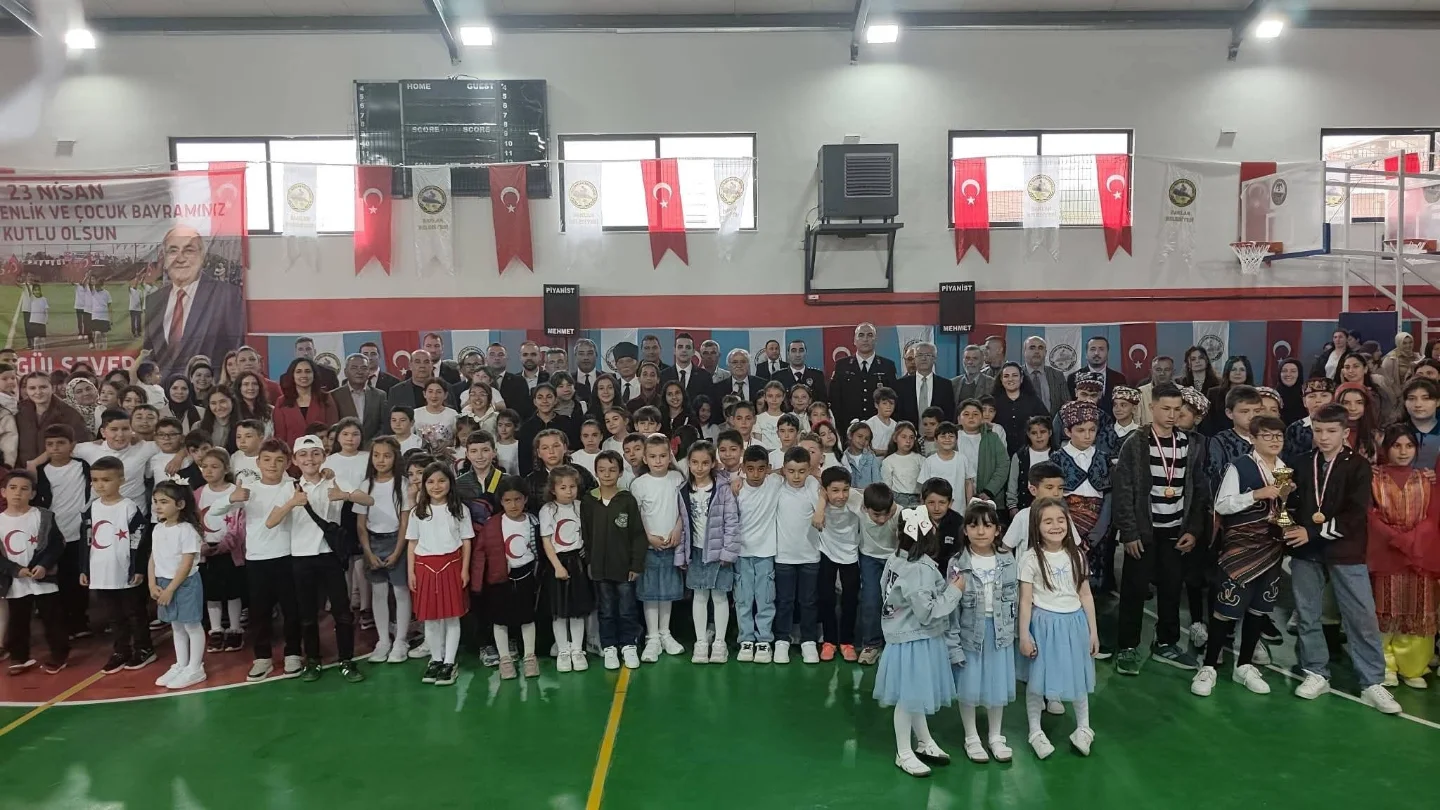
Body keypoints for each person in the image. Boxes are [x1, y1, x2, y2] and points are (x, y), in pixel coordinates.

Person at [1287, 403, 1401, 714]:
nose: (1323, 437)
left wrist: (1311, 532)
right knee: (1307, 614)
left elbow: (1355, 514)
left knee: (1361, 616)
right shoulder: (1299, 463)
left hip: (1345, 548)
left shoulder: (1359, 466)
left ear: (1345, 433)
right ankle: (1316, 672)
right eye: (1318, 431)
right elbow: (1284, 504)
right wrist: (1288, 526)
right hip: (1305, 551)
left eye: (1331, 431)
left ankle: (1372, 682)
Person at [1191, 415, 1294, 698]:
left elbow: (1282, 512)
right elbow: (1222, 505)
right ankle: (1208, 666)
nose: (1274, 441)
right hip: (1240, 547)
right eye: (1267, 435)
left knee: (1259, 609)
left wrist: (1289, 527)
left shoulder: (1284, 470)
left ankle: (1245, 665)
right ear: (1253, 438)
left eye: (1278, 436)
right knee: (1225, 607)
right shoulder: (1240, 466)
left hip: (1272, 549)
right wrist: (1257, 494)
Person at [1112, 384, 1209, 676]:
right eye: (1165, 408)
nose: (1171, 415)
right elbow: (1123, 491)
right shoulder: (1135, 443)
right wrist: (1129, 533)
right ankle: (1127, 646)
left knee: (1171, 588)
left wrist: (1193, 529)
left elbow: (1198, 491)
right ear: (1152, 407)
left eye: (1177, 410)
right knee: (1134, 590)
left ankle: (1166, 642)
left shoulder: (1190, 444)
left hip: (1175, 531)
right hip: (1144, 533)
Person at [873, 506, 965, 778]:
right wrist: (954, 591)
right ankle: (903, 752)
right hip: (915, 639)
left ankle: (924, 740)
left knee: (915, 693)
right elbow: (927, 612)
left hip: (904, 637)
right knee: (908, 698)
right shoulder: (920, 569)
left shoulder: (895, 559)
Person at [1017, 497, 1099, 759]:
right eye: (1048, 521)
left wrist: (1093, 631)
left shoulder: (1077, 555)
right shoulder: (1030, 558)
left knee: (1078, 677)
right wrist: (1024, 634)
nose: (1056, 526)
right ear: (1037, 526)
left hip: (1074, 624)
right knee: (1037, 679)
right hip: (1044, 625)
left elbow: (1085, 594)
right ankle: (1035, 731)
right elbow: (1025, 600)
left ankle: (1084, 728)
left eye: (1061, 520)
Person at [1367, 425, 1440, 688]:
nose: (1403, 452)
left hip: (1418, 553)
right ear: (1386, 449)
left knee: (1418, 609)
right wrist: (1394, 537)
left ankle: (1413, 668)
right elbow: (1369, 514)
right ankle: (1384, 665)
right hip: (1385, 552)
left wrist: (1412, 540)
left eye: (1409, 446)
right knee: (1385, 609)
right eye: (1396, 446)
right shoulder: (1373, 478)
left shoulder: (1426, 478)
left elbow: (1432, 515)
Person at [946, 499, 1016, 764]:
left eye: (987, 525)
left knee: (997, 686)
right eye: (974, 526)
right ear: (965, 530)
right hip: (969, 634)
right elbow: (951, 608)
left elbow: (1015, 599)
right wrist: (952, 644)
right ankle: (971, 736)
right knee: (969, 685)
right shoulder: (957, 563)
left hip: (999, 633)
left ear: (997, 530)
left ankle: (996, 735)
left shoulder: (1007, 560)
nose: (980, 531)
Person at [288, 435, 363, 683]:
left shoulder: (334, 480)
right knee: (307, 613)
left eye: (315, 454)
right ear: (295, 460)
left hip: (330, 555)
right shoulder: (289, 487)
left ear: (324, 456)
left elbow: (367, 499)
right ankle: (313, 661)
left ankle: (347, 659)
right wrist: (292, 502)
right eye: (303, 455)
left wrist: (345, 495)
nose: (309, 459)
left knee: (342, 611)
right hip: (301, 555)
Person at [234, 438, 305, 682]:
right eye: (267, 459)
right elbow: (215, 513)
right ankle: (262, 657)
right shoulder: (248, 488)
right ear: (258, 462)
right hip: (256, 558)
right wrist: (230, 498)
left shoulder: (293, 486)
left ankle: (293, 653)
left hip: (287, 555)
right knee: (259, 612)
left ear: (287, 463)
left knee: (291, 609)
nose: (272, 465)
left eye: (278, 460)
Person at [142, 225, 246, 376]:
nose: (180, 258)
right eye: (173, 251)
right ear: (164, 259)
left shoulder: (227, 295)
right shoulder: (154, 300)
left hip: (210, 387)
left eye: (189, 250)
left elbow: (235, 349)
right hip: (165, 388)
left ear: (202, 256)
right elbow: (149, 353)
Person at [80, 455, 152, 674]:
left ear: (121, 480)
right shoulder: (92, 509)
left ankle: (144, 648)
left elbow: (140, 541)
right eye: (95, 480)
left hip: (125, 570)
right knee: (113, 615)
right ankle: (121, 650)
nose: (100, 485)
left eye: (106, 480)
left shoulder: (128, 507)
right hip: (101, 571)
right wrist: (84, 569)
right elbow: (86, 541)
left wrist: (138, 568)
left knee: (134, 612)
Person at [405, 461, 472, 687]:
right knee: (431, 619)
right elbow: (412, 543)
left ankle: (449, 662)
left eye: (442, 481)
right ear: (424, 485)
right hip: (424, 568)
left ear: (450, 483)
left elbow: (466, 542)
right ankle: (435, 659)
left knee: (452, 617)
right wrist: (411, 572)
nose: (436, 486)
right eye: (431, 482)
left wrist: (464, 569)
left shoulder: (460, 510)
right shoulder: (417, 512)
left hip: (451, 565)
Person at [582, 450, 646, 671]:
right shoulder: (589, 501)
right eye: (602, 470)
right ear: (596, 472)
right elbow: (586, 535)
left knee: (627, 609)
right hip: (600, 568)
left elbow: (638, 535)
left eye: (612, 470)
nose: (607, 474)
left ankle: (629, 645)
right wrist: (589, 562)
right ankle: (609, 646)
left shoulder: (627, 500)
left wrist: (636, 564)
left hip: (624, 568)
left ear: (620, 473)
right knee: (606, 610)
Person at [1, 470, 69, 675]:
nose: (18, 493)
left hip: (43, 578)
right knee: (18, 620)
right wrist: (15, 570)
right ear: (3, 492)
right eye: (13, 488)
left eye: (24, 489)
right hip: (16, 582)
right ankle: (19, 657)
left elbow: (57, 544)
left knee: (52, 618)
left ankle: (59, 655)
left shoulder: (43, 516)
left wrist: (44, 566)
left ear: (32, 494)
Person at [678, 441, 740, 664]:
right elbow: (682, 525)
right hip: (695, 552)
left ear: (713, 463)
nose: (699, 467)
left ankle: (720, 643)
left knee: (720, 596)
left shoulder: (723, 489)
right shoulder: (683, 490)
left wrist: (728, 552)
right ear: (688, 463)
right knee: (700, 596)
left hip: (719, 553)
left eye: (705, 462)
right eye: (695, 462)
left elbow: (732, 522)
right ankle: (701, 642)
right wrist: (681, 554)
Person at [630, 434, 686, 662]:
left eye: (663, 456)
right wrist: (648, 538)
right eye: (653, 457)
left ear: (669, 456)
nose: (658, 461)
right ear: (645, 458)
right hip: (650, 547)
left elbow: (684, 509)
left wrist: (678, 529)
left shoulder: (677, 479)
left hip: (672, 544)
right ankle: (652, 636)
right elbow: (637, 516)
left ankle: (665, 632)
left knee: (667, 592)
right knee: (650, 593)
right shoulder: (639, 484)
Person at [147, 481, 207, 689]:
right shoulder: (158, 529)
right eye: (156, 501)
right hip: (164, 583)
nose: (158, 506)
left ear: (180, 504)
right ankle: (181, 664)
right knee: (176, 625)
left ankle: (195, 667)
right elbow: (153, 558)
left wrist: (171, 589)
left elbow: (186, 563)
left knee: (191, 625)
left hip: (184, 583)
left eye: (164, 502)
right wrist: (152, 584)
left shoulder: (187, 530)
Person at [482, 476, 541, 680]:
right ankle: (505, 658)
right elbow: (483, 553)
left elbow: (539, 550)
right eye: (508, 500)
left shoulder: (533, 522)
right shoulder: (493, 524)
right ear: (501, 501)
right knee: (500, 620)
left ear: (525, 499)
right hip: (500, 579)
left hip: (526, 575)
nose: (513, 505)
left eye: (517, 499)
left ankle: (530, 656)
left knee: (527, 618)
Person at [733, 445, 781, 664]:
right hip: (741, 553)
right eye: (750, 469)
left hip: (766, 553)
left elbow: (788, 471)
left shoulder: (774, 482)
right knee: (743, 599)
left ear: (768, 468)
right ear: (743, 468)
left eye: (761, 469)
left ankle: (764, 640)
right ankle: (746, 639)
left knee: (765, 599)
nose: (755, 474)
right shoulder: (737, 489)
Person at [195, 447, 245, 653]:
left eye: (214, 466)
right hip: (206, 553)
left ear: (226, 469)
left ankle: (235, 628)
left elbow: (239, 523)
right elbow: (193, 522)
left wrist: (225, 545)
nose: (208, 471)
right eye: (204, 466)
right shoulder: (198, 493)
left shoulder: (235, 492)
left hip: (230, 552)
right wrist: (201, 546)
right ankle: (215, 629)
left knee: (233, 592)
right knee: (212, 593)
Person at [1051, 400, 1111, 560]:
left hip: (1099, 527)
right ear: (1067, 431)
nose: (1087, 435)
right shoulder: (1057, 459)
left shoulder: (1104, 459)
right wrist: (1071, 532)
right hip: (1065, 526)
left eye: (1092, 430)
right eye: (1081, 430)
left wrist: (1097, 533)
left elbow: (1109, 497)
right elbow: (1055, 497)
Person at [830, 323, 899, 428]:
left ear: (876, 340)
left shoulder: (887, 366)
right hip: (849, 427)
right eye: (861, 335)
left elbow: (893, 399)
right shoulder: (842, 365)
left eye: (870, 335)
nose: (865, 339)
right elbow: (835, 400)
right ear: (854, 340)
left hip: (880, 427)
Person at [17, 371, 91, 465]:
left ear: (52, 388)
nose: (38, 392)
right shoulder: (19, 411)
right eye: (32, 388)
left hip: (58, 468)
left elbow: (79, 443)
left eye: (43, 387)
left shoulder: (69, 414)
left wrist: (38, 461)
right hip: (23, 469)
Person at [990, 363, 1050, 456]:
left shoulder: (1033, 400)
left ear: (1021, 379)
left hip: (1028, 453)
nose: (1010, 379)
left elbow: (1046, 424)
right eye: (1006, 376)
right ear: (1001, 380)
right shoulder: (993, 402)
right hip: (999, 453)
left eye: (1015, 375)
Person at [956, 400, 1008, 502]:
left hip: (987, 496)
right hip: (957, 496)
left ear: (982, 418)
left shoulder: (992, 438)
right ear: (959, 419)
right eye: (966, 414)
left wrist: (989, 491)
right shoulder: (952, 438)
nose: (971, 417)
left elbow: (1003, 465)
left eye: (975, 414)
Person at [1007, 417, 1056, 518]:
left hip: (1053, 503)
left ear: (1050, 433)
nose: (1039, 436)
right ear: (1028, 434)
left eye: (1043, 432)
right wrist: (1012, 505)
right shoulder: (1020, 456)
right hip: (1025, 504)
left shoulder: (1058, 455)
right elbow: (1013, 482)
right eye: (1034, 433)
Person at [896, 342, 955, 425]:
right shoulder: (901, 385)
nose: (923, 358)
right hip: (908, 432)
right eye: (919, 355)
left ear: (935, 358)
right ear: (914, 359)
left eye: (928, 355)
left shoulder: (945, 385)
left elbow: (949, 414)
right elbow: (897, 414)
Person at [333, 354, 387, 444]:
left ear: (369, 372)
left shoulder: (380, 395)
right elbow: (333, 426)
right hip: (344, 447)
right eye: (354, 368)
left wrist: (372, 444)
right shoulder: (334, 395)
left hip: (373, 447)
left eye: (364, 368)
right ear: (345, 372)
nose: (359, 372)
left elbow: (384, 425)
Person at [1065, 336, 1127, 411]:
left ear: (1107, 353)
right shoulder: (1073, 378)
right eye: (1092, 349)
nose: (1096, 353)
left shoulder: (1119, 378)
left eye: (1101, 349)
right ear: (1086, 353)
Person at [920, 422, 975, 506]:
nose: (947, 439)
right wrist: (922, 508)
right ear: (935, 440)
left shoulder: (963, 459)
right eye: (943, 436)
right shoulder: (929, 461)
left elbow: (968, 484)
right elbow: (924, 487)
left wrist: (969, 506)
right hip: (935, 508)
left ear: (956, 439)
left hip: (959, 508)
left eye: (951, 436)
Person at [1019, 336, 1070, 416]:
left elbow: (1067, 405)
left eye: (1040, 348)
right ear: (1024, 352)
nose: (1036, 351)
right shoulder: (1017, 375)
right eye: (1032, 348)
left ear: (1045, 352)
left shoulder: (1057, 375)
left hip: (1051, 422)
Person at [770, 338, 828, 403]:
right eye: (793, 351)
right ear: (788, 354)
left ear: (806, 353)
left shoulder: (817, 375)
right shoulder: (777, 376)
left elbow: (823, 403)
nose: (797, 354)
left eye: (801, 351)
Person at [882, 422, 923, 508]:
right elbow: (887, 485)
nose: (908, 441)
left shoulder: (920, 459)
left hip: (917, 498)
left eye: (911, 437)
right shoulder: (888, 461)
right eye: (904, 437)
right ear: (895, 438)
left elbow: (924, 481)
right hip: (897, 499)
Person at [1136, 355, 1176, 427]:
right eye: (1158, 370)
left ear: (1173, 372)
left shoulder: (1182, 392)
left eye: (1167, 370)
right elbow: (1136, 422)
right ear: (1151, 372)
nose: (1162, 373)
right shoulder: (1140, 393)